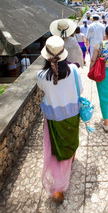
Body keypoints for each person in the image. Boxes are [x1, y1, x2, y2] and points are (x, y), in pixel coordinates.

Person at [37, 36, 83, 203]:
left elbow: (45, 88)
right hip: (72, 114)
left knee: (56, 149)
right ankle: (60, 184)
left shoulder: (41, 76)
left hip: (54, 118)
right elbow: (81, 90)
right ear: (64, 54)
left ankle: (58, 186)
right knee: (71, 138)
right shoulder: (74, 71)